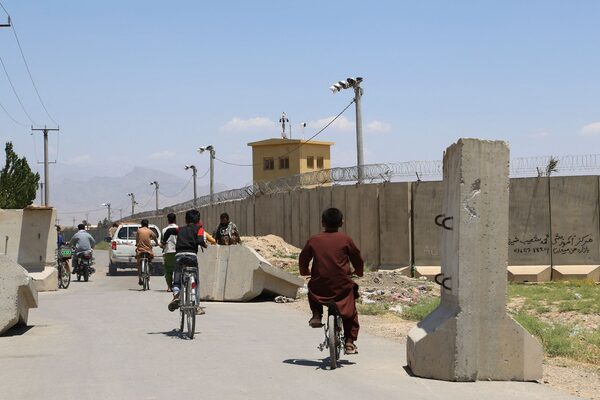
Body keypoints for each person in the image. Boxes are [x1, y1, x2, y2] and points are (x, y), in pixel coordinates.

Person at [298, 207, 364, 355]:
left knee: (312, 286)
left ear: (322, 223)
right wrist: (358, 272)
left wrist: (304, 271)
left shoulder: (314, 240)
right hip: (342, 287)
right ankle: (349, 342)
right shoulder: (346, 240)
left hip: (320, 287)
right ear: (341, 222)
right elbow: (357, 258)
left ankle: (316, 315)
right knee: (351, 311)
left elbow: (303, 258)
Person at [167, 209, 207, 313]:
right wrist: (204, 245)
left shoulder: (179, 229)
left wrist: (163, 242)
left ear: (185, 220)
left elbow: (169, 231)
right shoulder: (199, 229)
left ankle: (176, 296)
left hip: (179, 256)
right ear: (198, 220)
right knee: (196, 281)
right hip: (192, 256)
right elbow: (200, 240)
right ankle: (196, 306)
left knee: (177, 280)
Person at [135, 219, 157, 286]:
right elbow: (155, 237)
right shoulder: (149, 231)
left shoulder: (139, 230)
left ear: (141, 225)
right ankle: (149, 264)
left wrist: (137, 244)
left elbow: (137, 239)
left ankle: (140, 278)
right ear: (147, 225)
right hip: (148, 250)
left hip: (140, 250)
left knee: (138, 262)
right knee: (151, 257)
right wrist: (157, 243)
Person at [161, 213, 178, 291]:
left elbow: (163, 243)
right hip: (177, 251)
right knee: (178, 269)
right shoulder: (179, 228)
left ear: (168, 220)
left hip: (168, 251)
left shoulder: (164, 230)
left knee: (168, 271)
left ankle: (169, 286)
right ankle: (177, 286)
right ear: (175, 219)